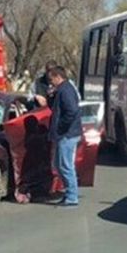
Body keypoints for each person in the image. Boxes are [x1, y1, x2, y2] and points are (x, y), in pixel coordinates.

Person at [47, 66, 81, 207]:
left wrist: (60, 126)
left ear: (58, 77)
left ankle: (72, 196)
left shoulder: (66, 90)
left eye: (51, 79)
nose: (50, 82)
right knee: (59, 165)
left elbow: (71, 111)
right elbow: (53, 108)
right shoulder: (62, 90)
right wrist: (51, 96)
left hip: (67, 134)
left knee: (66, 165)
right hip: (65, 133)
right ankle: (69, 194)